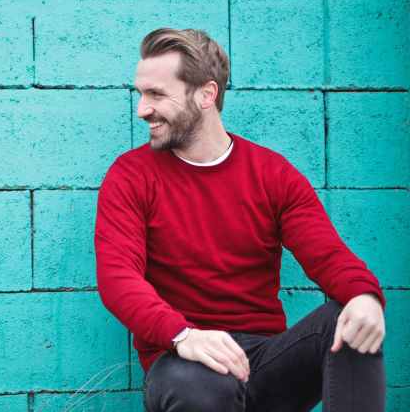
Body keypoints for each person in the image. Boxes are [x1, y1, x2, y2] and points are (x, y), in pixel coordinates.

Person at [94, 28, 387, 411]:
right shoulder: (131, 176)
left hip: (265, 361)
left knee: (349, 321)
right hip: (183, 360)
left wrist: (365, 296)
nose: (142, 109)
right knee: (196, 386)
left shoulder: (272, 174)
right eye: (141, 94)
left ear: (206, 95)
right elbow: (118, 278)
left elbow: (327, 255)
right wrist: (183, 335)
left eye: (157, 94)